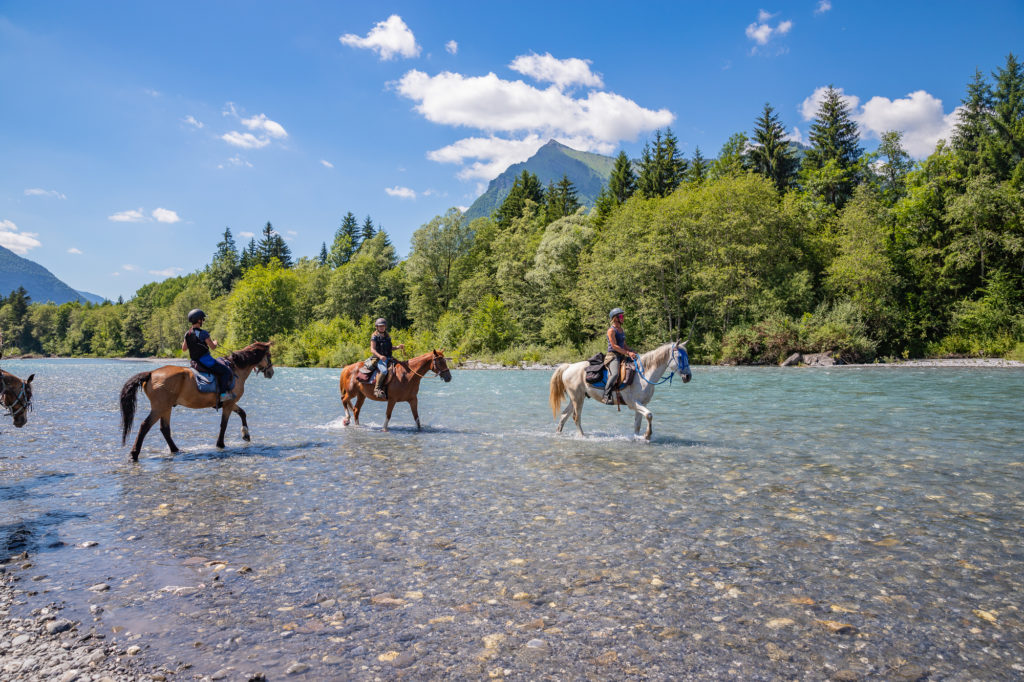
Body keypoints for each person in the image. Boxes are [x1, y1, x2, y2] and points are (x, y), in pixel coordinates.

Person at [182, 309, 235, 405]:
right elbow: (213, 347)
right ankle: (223, 396)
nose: (203, 321)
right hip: (206, 361)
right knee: (226, 372)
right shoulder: (204, 333)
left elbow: (184, 349)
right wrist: (215, 342)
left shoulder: (187, 334)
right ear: (199, 320)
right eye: (202, 319)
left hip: (194, 362)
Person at [602, 307, 637, 405]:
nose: (623, 317)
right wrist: (628, 353)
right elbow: (614, 346)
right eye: (621, 316)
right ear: (615, 318)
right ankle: (606, 395)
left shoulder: (621, 330)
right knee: (615, 374)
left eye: (623, 316)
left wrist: (631, 350)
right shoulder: (611, 330)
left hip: (622, 354)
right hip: (613, 356)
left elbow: (624, 345)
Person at [370, 317, 404, 398]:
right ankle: (377, 389)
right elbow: (372, 349)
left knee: (401, 368)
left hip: (389, 358)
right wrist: (380, 356)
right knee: (384, 371)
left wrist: (398, 347)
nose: (382, 328)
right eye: (380, 326)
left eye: (383, 326)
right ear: (377, 327)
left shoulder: (387, 337)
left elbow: (390, 348)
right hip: (378, 359)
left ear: (385, 327)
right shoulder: (374, 337)